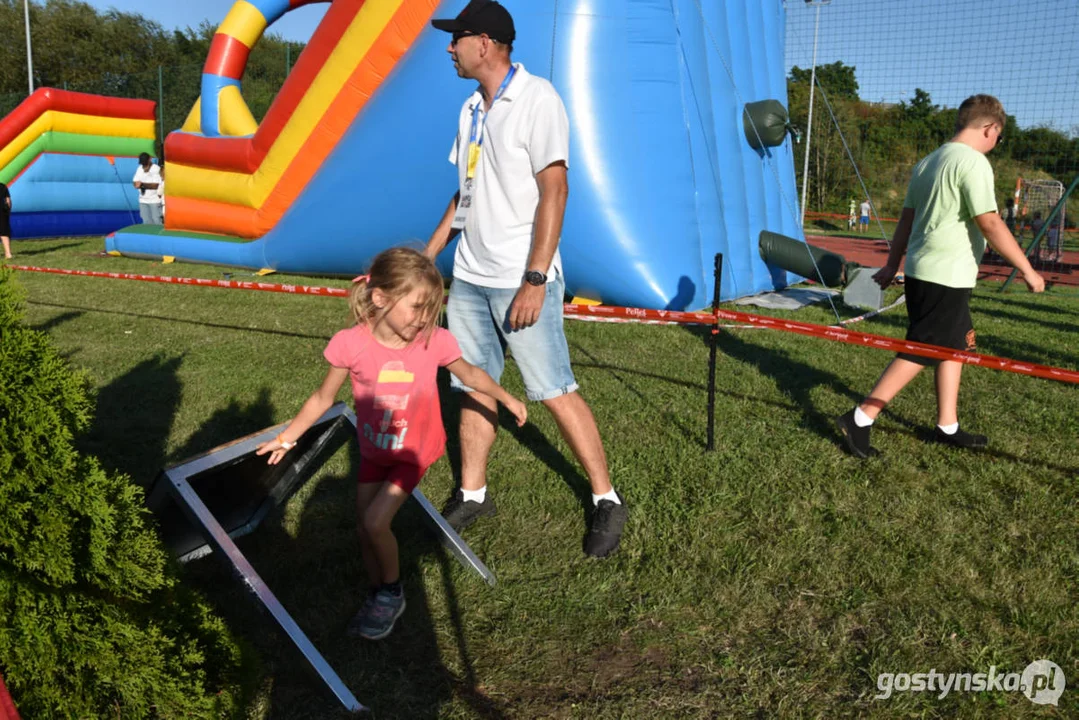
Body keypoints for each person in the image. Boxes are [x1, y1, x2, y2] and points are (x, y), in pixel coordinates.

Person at [425, 0, 628, 558]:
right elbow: (464, 192)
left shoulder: (538, 99)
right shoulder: (470, 109)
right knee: (471, 383)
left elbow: (555, 190)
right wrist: (431, 254)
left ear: (485, 43)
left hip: (523, 278)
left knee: (553, 390)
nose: (450, 47)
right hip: (469, 278)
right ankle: (473, 493)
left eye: (457, 38)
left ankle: (606, 499)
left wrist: (535, 277)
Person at [256, 247, 527, 640]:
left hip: (413, 451)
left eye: (430, 310)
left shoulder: (433, 342)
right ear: (380, 297)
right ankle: (378, 590)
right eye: (416, 308)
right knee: (365, 529)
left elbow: (470, 372)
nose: (423, 320)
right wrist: (287, 437)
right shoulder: (350, 345)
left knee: (375, 521)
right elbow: (322, 398)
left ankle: (392, 592)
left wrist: (505, 397)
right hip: (373, 450)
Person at [834, 94, 1045, 459]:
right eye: (999, 136)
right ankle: (861, 417)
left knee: (955, 346)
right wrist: (1026, 269)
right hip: (944, 276)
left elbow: (906, 220)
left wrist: (891, 264)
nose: (997, 143)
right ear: (990, 128)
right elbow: (990, 221)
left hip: (925, 272)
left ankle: (947, 425)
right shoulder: (973, 163)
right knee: (922, 349)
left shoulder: (928, 162)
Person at [132, 152, 163, 225]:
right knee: (146, 222)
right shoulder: (139, 168)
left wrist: (142, 184)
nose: (143, 165)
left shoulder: (156, 168)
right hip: (143, 200)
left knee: (157, 221)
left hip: (154, 200)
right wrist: (135, 184)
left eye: (145, 163)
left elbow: (156, 185)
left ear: (150, 159)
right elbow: (135, 181)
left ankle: (159, 236)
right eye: (142, 163)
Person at [0, 181, 11, 260]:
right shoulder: (3, 186)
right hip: (2, 212)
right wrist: (8, 211)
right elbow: (8, 201)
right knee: (4, 232)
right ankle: (8, 253)